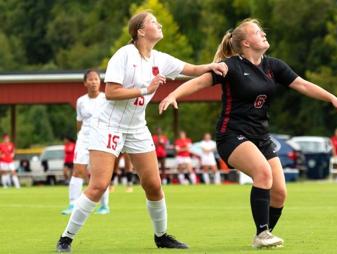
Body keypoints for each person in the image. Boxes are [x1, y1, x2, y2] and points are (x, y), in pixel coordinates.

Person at [159, 18, 337, 248]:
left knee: (279, 193)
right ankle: (262, 235)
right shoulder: (230, 66)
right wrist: (173, 95)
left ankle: (264, 234)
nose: (263, 34)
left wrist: (332, 97)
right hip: (232, 135)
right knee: (263, 173)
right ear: (246, 43)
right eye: (257, 32)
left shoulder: (274, 66)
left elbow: (303, 85)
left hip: (260, 136)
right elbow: (199, 83)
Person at [56, 11, 227, 252]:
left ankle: (162, 236)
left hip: (136, 127)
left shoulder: (160, 59)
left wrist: (213, 65)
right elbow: (112, 92)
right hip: (108, 125)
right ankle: (66, 239)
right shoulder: (124, 55)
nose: (158, 24)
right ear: (140, 31)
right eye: (153, 22)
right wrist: (145, 89)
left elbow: (192, 69)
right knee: (99, 185)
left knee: (154, 184)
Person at [61, 69, 110, 215]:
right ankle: (72, 204)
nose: (94, 82)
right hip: (84, 138)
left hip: (101, 138)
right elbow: (79, 121)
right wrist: (80, 136)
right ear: (85, 83)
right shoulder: (81, 101)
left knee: (99, 173)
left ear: (100, 82)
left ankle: (104, 205)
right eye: (90, 79)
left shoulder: (106, 98)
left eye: (96, 79)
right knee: (78, 171)